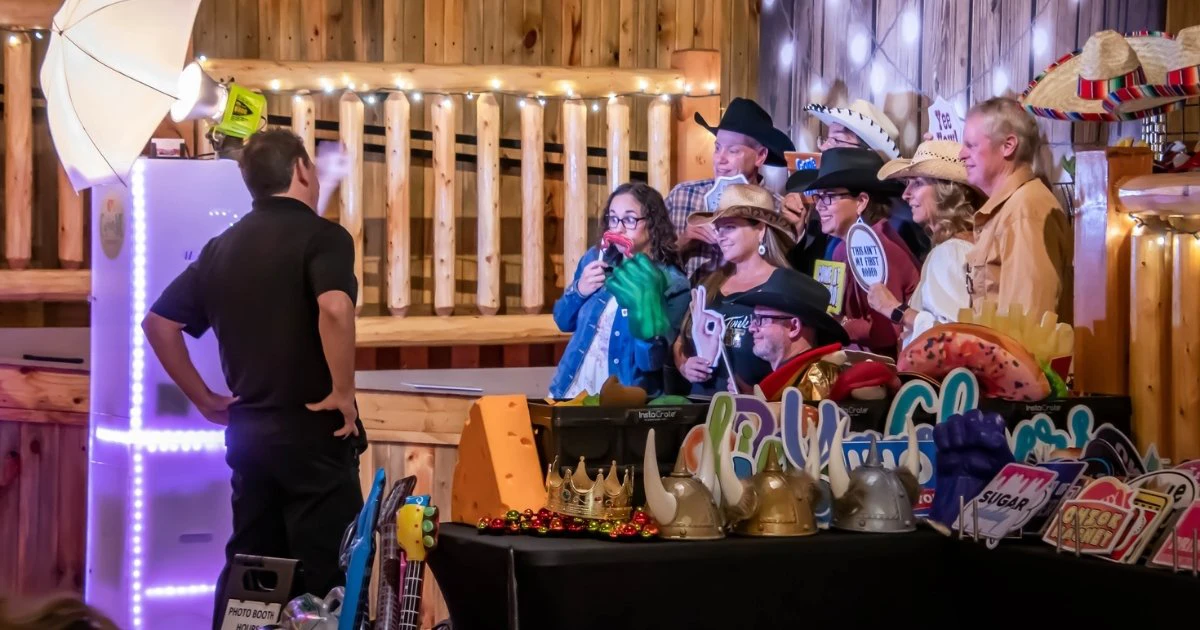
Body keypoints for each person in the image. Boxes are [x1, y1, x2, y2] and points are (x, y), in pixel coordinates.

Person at [141, 129, 364, 628]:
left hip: (249, 435)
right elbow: (333, 307)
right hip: (314, 433)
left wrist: (203, 398)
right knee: (329, 574)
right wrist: (344, 392)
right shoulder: (325, 237)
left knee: (254, 572)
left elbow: (158, 324)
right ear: (303, 169)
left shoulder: (222, 246)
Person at [549, 182, 690, 399]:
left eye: (630, 219)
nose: (619, 228)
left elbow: (651, 363)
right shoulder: (595, 259)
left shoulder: (673, 283)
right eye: (613, 218)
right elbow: (562, 320)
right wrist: (579, 290)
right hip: (570, 389)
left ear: (652, 224)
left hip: (623, 397)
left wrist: (645, 315)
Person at [673, 184, 796, 395]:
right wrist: (685, 365)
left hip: (754, 417)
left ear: (760, 229)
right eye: (718, 228)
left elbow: (798, 359)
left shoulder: (785, 286)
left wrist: (759, 392)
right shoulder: (710, 283)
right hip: (701, 410)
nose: (720, 235)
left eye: (729, 227)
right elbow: (681, 341)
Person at [960, 97, 1073, 322]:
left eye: (971, 145)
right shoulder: (1013, 208)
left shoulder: (1024, 211)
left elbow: (1027, 325)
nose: (961, 154)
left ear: (1008, 145)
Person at [666, 97, 798, 281]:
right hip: (689, 305)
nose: (720, 159)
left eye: (733, 151)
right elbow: (652, 267)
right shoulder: (683, 197)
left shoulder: (778, 210)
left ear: (760, 156)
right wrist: (684, 240)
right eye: (717, 148)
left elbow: (787, 276)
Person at [865, 140, 981, 348]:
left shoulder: (950, 252)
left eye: (917, 183)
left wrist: (895, 310)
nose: (905, 194)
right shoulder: (959, 246)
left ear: (945, 191)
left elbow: (950, 335)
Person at [807, 148, 920, 357]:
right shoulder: (842, 248)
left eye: (829, 196)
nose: (820, 206)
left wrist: (843, 324)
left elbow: (887, 331)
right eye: (818, 197)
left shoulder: (882, 245)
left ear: (861, 202)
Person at [804, 99, 931, 262]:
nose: (824, 148)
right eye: (826, 139)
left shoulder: (896, 225)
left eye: (835, 140)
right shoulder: (826, 208)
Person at [739, 269, 850, 371]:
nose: (751, 328)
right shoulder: (794, 379)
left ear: (794, 327)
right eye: (754, 318)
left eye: (761, 319)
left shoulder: (813, 383)